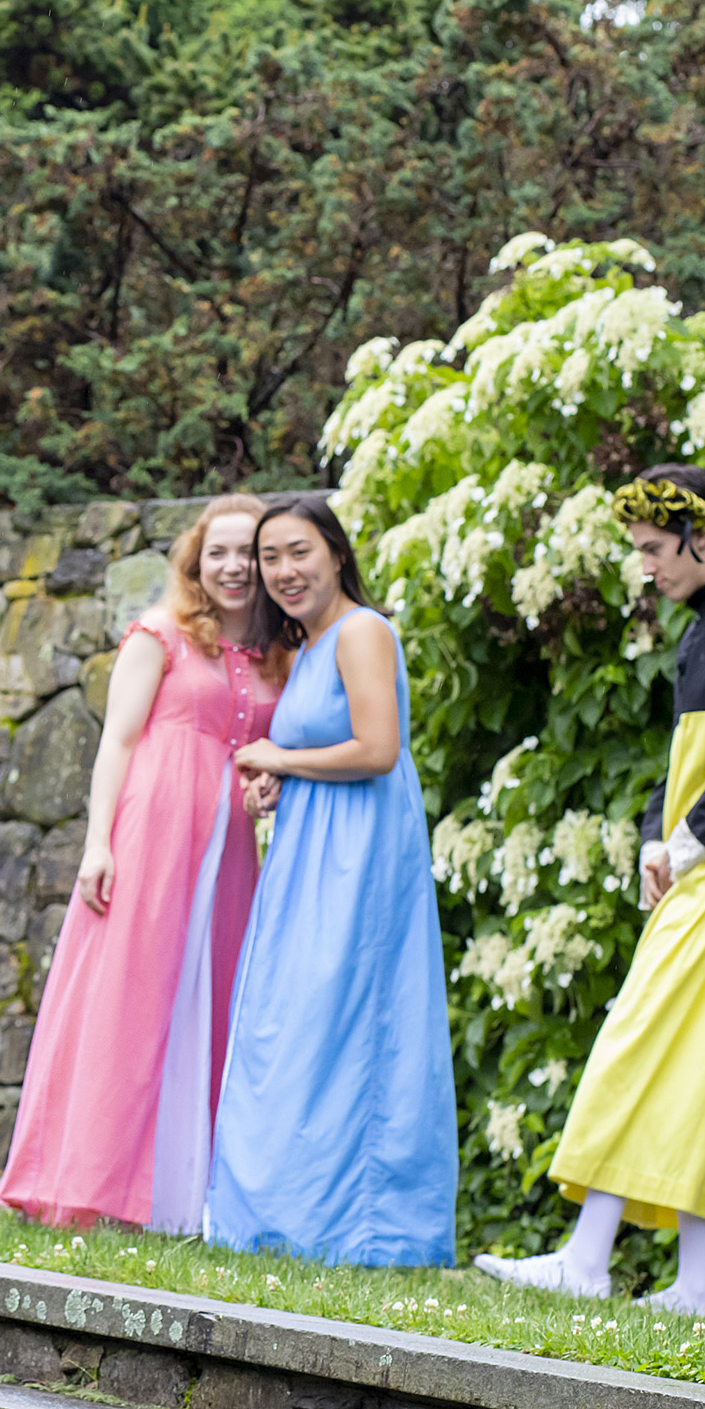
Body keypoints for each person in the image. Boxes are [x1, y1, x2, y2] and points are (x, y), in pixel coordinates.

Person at [475, 465, 705, 1317]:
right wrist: (651, 842)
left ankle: (588, 1259)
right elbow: (686, 758)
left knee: (642, 1030)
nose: (645, 568)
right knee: (700, 1050)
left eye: (653, 549)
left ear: (700, 536)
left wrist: (687, 842)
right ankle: (698, 1285)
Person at [0, 495, 288, 1233]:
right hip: (152, 838)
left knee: (211, 1001)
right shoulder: (158, 634)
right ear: (195, 560)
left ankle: (180, 1197)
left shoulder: (268, 657)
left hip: (228, 856)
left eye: (248, 553)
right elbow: (118, 742)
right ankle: (88, 1187)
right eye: (218, 551)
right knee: (124, 1005)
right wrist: (99, 842)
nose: (233, 566)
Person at [205, 499, 457, 1265]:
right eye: (270, 556)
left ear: (337, 554)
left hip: (362, 859)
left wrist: (279, 759)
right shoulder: (311, 648)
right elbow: (326, 746)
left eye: (298, 551)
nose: (283, 570)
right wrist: (279, 785)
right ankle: (284, 1214)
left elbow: (379, 749)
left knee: (347, 1020)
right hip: (312, 849)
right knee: (295, 1023)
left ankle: (367, 1227)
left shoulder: (363, 631)